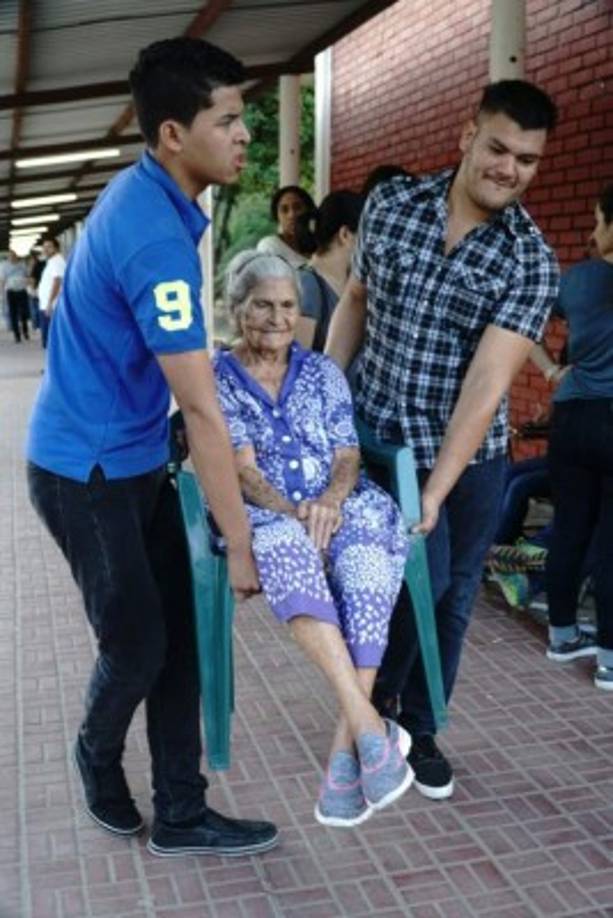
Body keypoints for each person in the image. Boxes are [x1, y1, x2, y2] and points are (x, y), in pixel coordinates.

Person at [26, 37, 278, 859]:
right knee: (136, 643)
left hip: (133, 457)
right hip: (83, 473)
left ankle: (182, 811)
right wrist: (240, 543)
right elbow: (202, 412)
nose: (245, 134)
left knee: (180, 637)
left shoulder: (157, 200)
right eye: (229, 119)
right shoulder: (153, 238)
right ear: (174, 134)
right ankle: (96, 757)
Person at [326, 79, 559, 800]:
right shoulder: (392, 207)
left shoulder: (529, 261)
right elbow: (353, 306)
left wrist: (432, 488)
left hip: (467, 455)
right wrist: (324, 412)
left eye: (525, 159)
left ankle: (418, 726)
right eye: (497, 147)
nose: (507, 168)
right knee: (390, 584)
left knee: (453, 592)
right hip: (374, 436)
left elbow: (486, 386)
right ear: (466, 136)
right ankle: (375, 712)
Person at [213, 250, 413, 828]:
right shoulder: (218, 377)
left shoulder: (323, 371)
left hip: (338, 503)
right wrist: (298, 513)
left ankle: (344, 754)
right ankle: (369, 726)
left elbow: (347, 453)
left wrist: (329, 501)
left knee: (369, 553)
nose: (277, 318)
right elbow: (245, 472)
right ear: (236, 309)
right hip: (269, 513)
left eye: (288, 306)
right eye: (262, 305)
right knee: (282, 548)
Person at [543, 183, 613, 690]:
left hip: (573, 418)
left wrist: (550, 370)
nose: (593, 231)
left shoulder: (580, 280)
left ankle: (563, 633)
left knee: (570, 525)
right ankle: (610, 658)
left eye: (597, 220)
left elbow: (523, 326)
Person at [294, 190, 365, 351]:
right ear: (345, 235)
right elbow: (298, 363)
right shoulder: (307, 283)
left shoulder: (351, 282)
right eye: (366, 235)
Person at [256, 185, 315, 268]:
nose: (292, 215)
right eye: (284, 210)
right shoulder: (270, 246)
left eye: (298, 207)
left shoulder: (321, 245)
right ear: (277, 216)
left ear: (309, 210)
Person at [37, 237, 66, 349]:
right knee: (49, 338)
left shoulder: (57, 261)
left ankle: (52, 366)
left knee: (50, 339)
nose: (45, 249)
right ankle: (51, 365)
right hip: (47, 304)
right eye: (44, 247)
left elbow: (57, 281)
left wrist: (50, 303)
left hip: (51, 306)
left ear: (56, 248)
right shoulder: (51, 262)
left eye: (49, 247)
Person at [0, 250, 30, 342]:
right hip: (11, 291)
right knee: (13, 313)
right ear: (8, 257)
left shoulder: (22, 265)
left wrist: (27, 284)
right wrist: (2, 292)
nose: (12, 257)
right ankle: (17, 335)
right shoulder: (4, 266)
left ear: (17, 256)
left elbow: (27, 276)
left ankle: (25, 330)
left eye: (14, 255)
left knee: (23, 312)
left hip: (22, 291)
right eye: (10, 256)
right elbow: (2, 279)